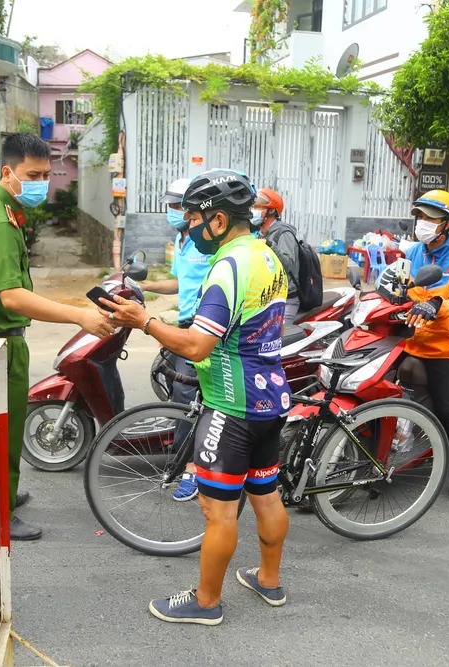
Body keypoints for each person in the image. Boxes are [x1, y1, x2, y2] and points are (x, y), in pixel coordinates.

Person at [103, 169, 292, 626]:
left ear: (219, 220)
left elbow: (197, 346)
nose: (188, 227)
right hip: (270, 399)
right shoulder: (266, 256)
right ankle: (268, 580)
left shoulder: (229, 266)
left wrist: (143, 321)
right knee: (266, 495)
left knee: (217, 512)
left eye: (192, 218)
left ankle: (206, 602)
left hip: (231, 407)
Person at [0, 133, 115, 541]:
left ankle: (2, 495)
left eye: (45, 174)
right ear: (8, 172)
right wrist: (79, 316)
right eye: (32, 175)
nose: (41, 183)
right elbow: (13, 297)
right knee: (0, 433)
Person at [400, 189, 449, 508]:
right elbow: (393, 285)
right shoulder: (412, 252)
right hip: (405, 339)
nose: (422, 222)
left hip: (440, 347)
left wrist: (436, 304)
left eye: (430, 217)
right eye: (420, 216)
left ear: (447, 224)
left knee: (447, 411)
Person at [138, 177, 210, 501]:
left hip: (202, 325)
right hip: (184, 323)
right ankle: (181, 453)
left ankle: (190, 466)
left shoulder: (205, 240)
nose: (172, 210)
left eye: (177, 205)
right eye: (168, 205)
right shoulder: (181, 240)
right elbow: (180, 282)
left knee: (188, 396)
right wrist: (145, 287)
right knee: (175, 387)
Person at [252, 187, 301, 324]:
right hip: (268, 297)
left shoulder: (284, 233)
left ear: (272, 211)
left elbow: (287, 265)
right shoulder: (260, 233)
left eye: (258, 207)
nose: (253, 211)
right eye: (253, 207)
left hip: (287, 299)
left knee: (281, 335)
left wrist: (270, 245)